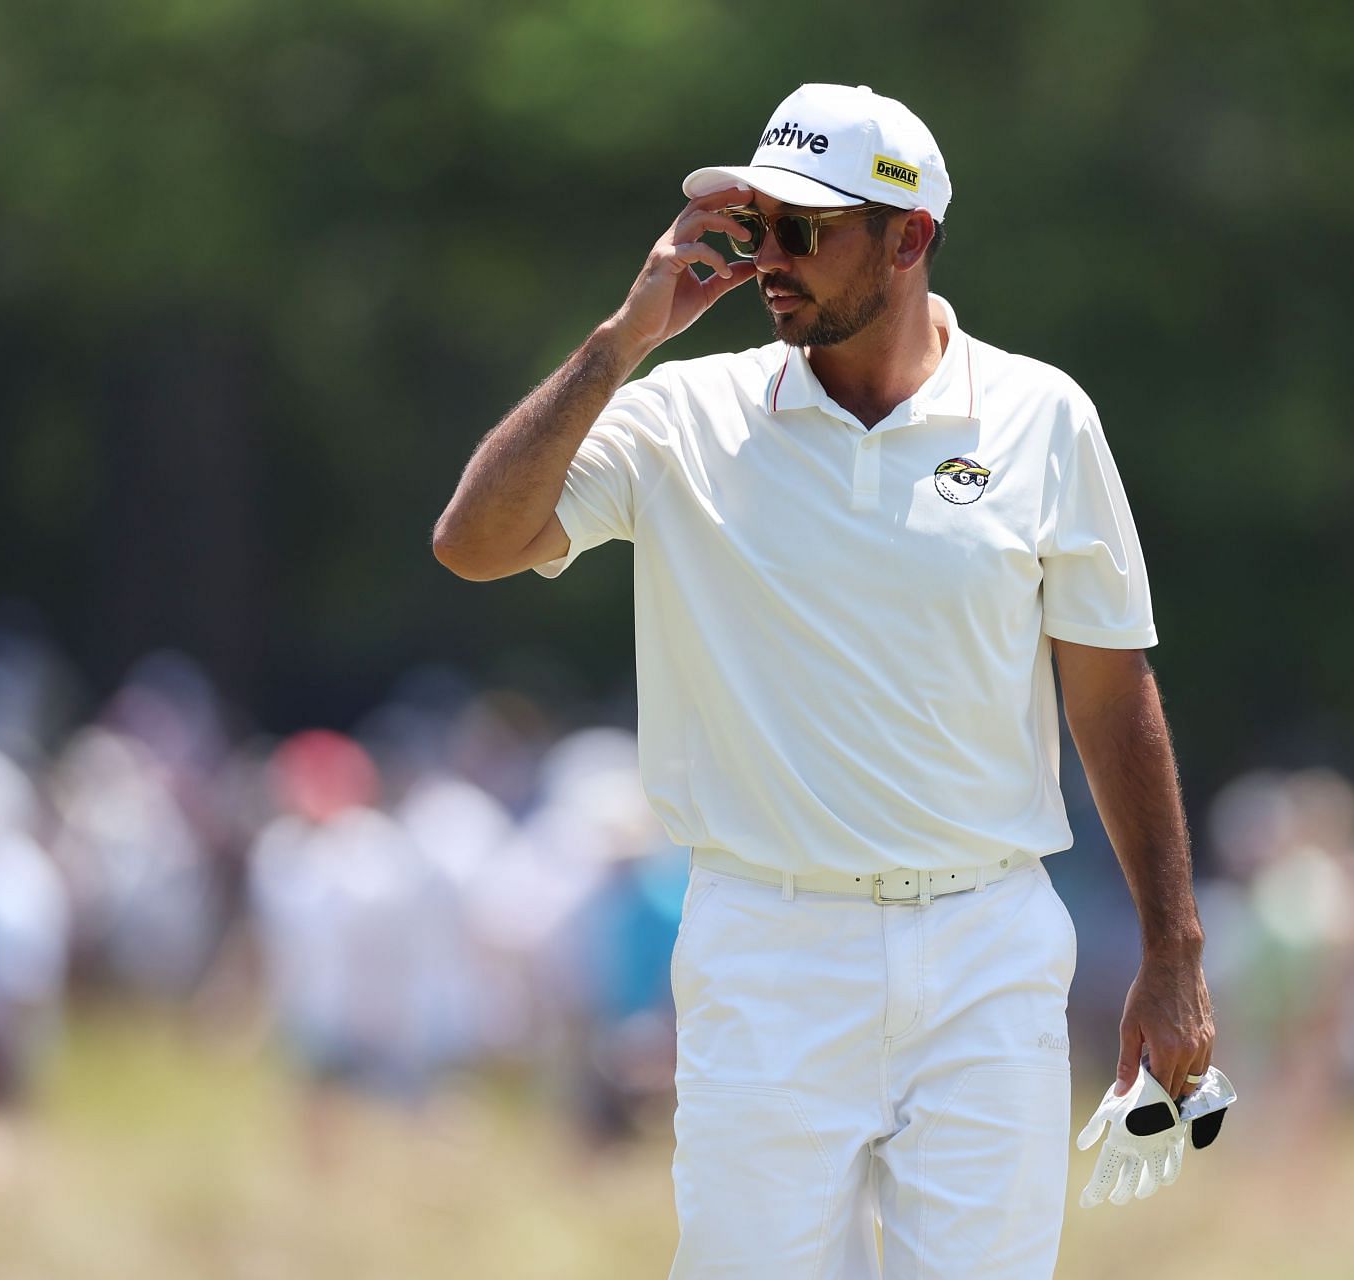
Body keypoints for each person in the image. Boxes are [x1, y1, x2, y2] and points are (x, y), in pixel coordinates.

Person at [434, 82, 1216, 1278]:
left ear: (911, 239)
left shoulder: (1041, 416)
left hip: (986, 940)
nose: (769, 261)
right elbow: (473, 543)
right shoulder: (679, 413)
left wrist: (1174, 954)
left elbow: (1112, 695)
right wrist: (621, 340)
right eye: (754, 227)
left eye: (805, 229)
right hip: (768, 939)